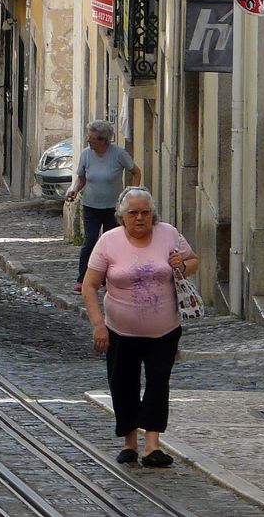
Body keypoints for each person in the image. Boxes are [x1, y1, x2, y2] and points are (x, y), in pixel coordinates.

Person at [81, 187, 198, 468]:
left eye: (145, 212)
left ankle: (152, 445)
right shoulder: (109, 242)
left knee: (158, 382)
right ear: (122, 216)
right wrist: (98, 325)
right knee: (123, 384)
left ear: (152, 214)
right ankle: (130, 442)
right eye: (133, 213)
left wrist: (181, 264)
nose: (140, 218)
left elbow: (193, 262)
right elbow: (89, 285)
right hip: (120, 331)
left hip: (165, 329)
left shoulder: (168, 234)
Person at [65, 120, 143, 293]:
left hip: (113, 208)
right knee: (90, 241)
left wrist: (133, 193)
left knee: (112, 245)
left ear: (103, 140)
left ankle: (110, 280)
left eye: (92, 138)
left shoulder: (118, 154)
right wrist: (74, 190)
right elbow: (81, 178)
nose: (88, 140)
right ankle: (83, 279)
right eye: (88, 137)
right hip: (91, 206)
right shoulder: (86, 154)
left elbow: (136, 172)